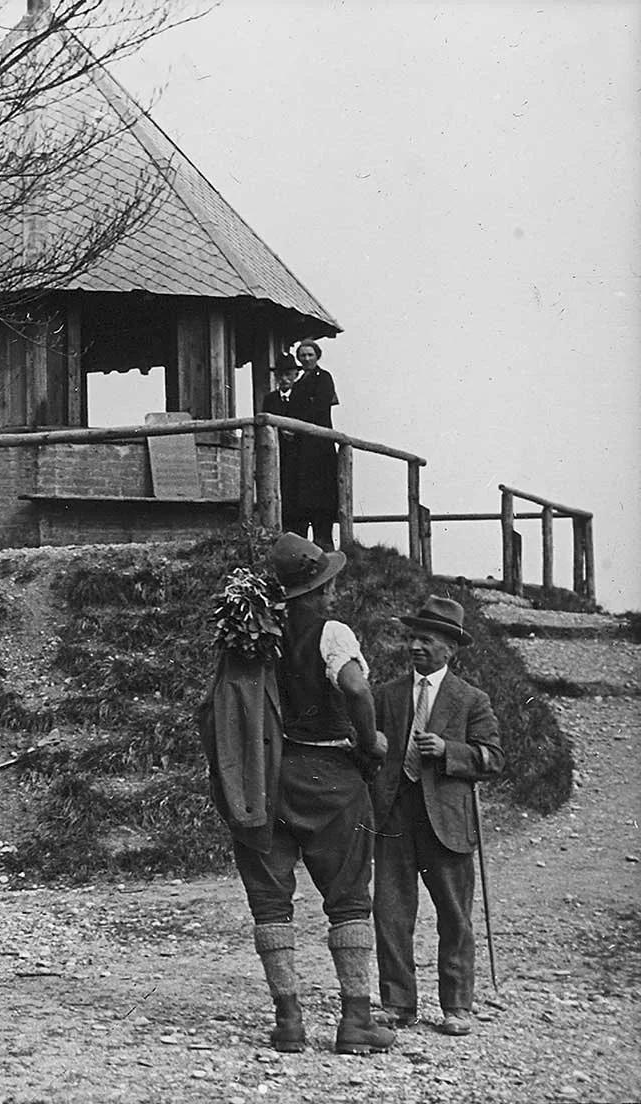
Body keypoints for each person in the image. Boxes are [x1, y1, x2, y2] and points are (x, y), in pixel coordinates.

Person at [231, 534, 394, 1055]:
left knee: (271, 900)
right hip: (330, 778)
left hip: (268, 775)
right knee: (347, 897)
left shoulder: (253, 633)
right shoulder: (332, 632)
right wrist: (370, 743)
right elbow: (357, 689)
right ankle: (355, 1020)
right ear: (317, 589)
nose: (330, 597)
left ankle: (289, 1021)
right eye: (327, 587)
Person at [370, 596, 504, 1037]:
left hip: (447, 823)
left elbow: (494, 758)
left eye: (426, 639)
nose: (415, 646)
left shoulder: (471, 699)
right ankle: (398, 1005)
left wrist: (452, 753)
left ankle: (457, 1006)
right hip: (394, 817)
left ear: (450, 648)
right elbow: (368, 749)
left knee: (454, 915)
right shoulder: (386, 695)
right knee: (391, 913)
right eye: (412, 637)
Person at [262, 339, 340, 551]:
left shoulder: (323, 378)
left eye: (310, 355)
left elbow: (320, 407)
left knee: (320, 496)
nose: (306, 359)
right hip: (299, 449)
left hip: (317, 444)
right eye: (302, 355)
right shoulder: (296, 388)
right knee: (299, 499)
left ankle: (324, 548)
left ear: (317, 356)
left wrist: (296, 427)